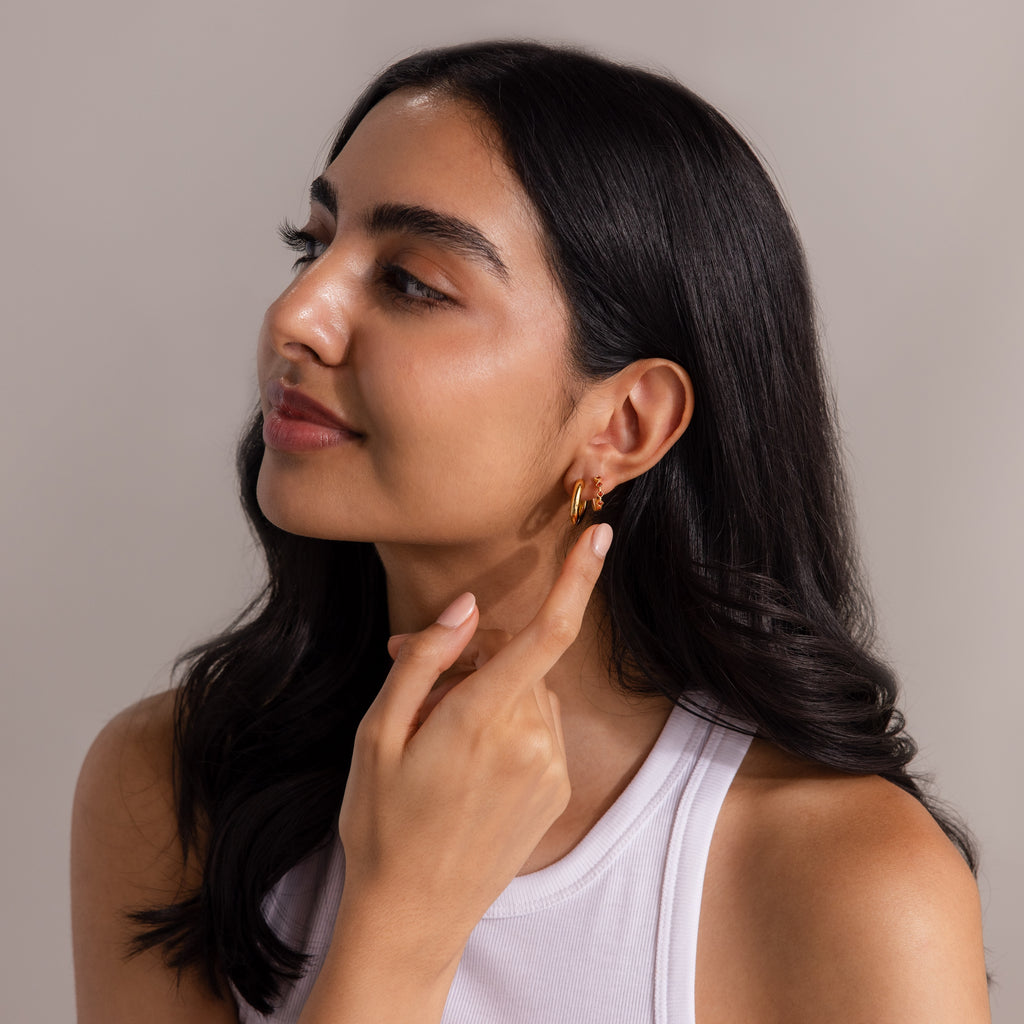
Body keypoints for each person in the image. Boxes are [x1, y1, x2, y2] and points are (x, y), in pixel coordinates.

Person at [70, 40, 991, 1023]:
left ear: (624, 423)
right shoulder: (173, 788)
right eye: (313, 245)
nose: (297, 314)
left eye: (410, 282)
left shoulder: (852, 880)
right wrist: (399, 919)